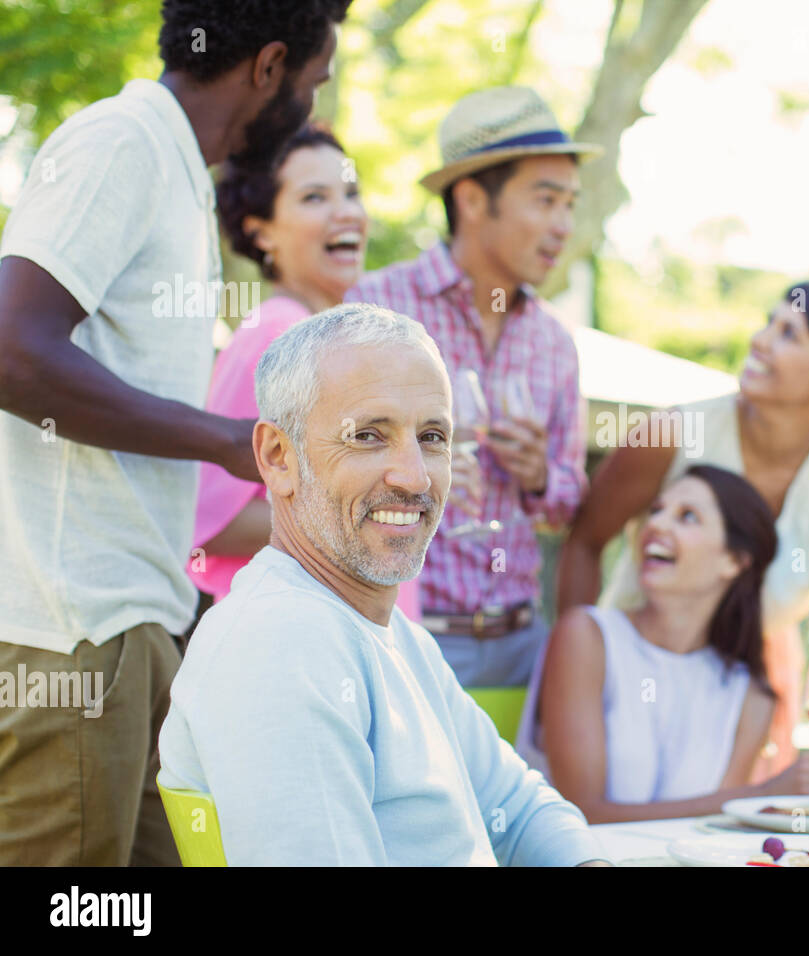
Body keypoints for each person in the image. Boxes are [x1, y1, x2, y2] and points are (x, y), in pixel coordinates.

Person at [0, 0, 350, 866]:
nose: (311, 108)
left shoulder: (176, 168)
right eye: (313, 84)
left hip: (143, 627)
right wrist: (228, 440)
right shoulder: (123, 142)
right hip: (75, 628)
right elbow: (11, 347)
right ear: (269, 66)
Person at [159, 304, 608, 866]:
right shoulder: (282, 644)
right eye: (369, 436)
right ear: (278, 457)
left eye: (433, 436)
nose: (415, 476)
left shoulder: (392, 636)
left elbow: (520, 810)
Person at [558, 282, 809, 779]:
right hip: (623, 689)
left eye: (788, 334)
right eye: (769, 322)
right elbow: (586, 540)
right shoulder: (672, 432)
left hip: (734, 713)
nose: (760, 340)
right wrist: (574, 675)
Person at [345, 85, 601, 689]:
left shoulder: (555, 343)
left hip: (521, 645)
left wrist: (539, 475)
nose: (563, 225)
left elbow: (568, 505)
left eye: (570, 203)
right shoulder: (375, 307)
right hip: (403, 638)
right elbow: (326, 470)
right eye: (545, 200)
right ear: (471, 199)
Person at [189, 123, 420, 620]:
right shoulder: (273, 335)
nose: (347, 212)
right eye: (315, 197)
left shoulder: (347, 339)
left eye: (352, 193)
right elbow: (208, 522)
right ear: (260, 230)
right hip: (299, 638)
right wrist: (368, 510)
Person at [518, 466, 809, 822]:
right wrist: (758, 797)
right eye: (657, 511)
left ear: (734, 561)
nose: (657, 525)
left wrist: (750, 800)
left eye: (687, 517)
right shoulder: (586, 639)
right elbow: (583, 815)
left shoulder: (750, 695)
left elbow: (712, 834)